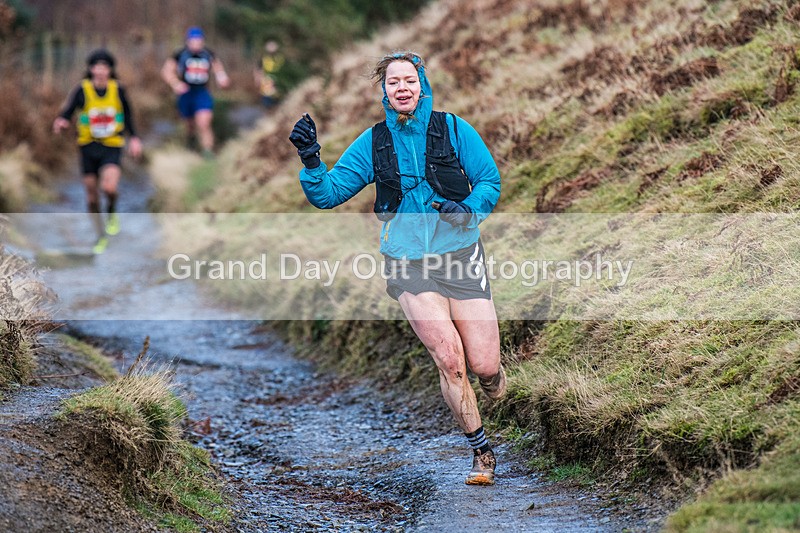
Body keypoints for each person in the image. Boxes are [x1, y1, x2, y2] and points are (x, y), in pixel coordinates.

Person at [289, 51, 506, 485]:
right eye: (393, 82)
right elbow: (329, 194)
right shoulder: (373, 143)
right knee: (450, 358)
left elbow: (490, 181)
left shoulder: (452, 128)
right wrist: (312, 160)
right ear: (384, 90)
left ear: (421, 86)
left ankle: (496, 378)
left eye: (409, 80)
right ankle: (481, 452)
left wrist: (467, 210)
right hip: (406, 260)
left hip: (460, 251)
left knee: (484, 365)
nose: (402, 88)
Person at [53, 49, 142, 254]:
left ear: (110, 70)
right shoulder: (82, 90)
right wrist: (61, 121)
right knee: (92, 197)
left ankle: (111, 211)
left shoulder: (118, 89)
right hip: (88, 146)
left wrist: (135, 138)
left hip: (112, 145)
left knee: (109, 188)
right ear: (91, 69)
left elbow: (128, 115)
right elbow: (68, 111)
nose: (101, 71)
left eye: (105, 67)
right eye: (97, 67)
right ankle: (100, 235)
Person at [161, 26, 230, 158]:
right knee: (190, 124)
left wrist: (222, 78)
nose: (196, 44)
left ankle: (207, 151)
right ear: (187, 42)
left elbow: (218, 68)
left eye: (199, 41)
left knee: (204, 122)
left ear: (203, 41)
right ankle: (191, 141)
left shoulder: (208, 54)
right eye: (193, 41)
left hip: (202, 92)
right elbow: (166, 71)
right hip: (186, 93)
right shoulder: (180, 54)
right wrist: (175, 83)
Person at [254, 40, 284, 110]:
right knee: (268, 101)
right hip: (267, 83)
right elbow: (258, 69)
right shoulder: (264, 58)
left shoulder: (280, 58)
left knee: (279, 102)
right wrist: (258, 79)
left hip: (278, 83)